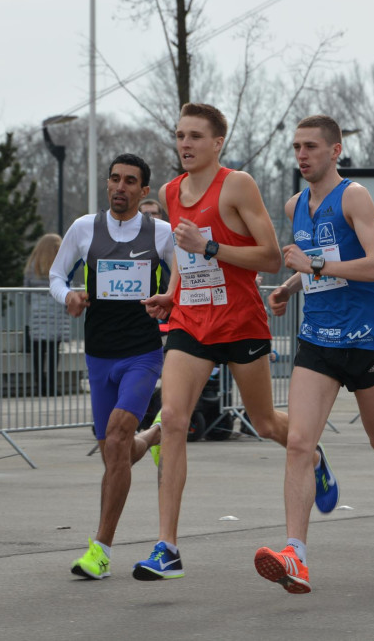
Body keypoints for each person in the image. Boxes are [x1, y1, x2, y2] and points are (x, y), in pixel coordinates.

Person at [135, 102, 331, 581]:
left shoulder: (238, 185)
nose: (185, 144)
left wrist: (212, 248)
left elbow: (269, 257)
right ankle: (167, 547)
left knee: (265, 422)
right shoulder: (170, 190)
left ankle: (314, 454)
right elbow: (185, 255)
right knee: (175, 420)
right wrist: (172, 291)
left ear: (217, 142)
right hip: (190, 322)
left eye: (196, 136)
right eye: (180, 135)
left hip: (240, 321)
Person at [254, 116, 374, 595]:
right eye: (296, 147)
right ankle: (295, 554)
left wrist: (312, 264)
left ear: (335, 150)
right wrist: (292, 284)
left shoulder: (355, 196)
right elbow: (322, 261)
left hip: (366, 339)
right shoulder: (295, 204)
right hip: (317, 339)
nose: (302, 155)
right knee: (299, 443)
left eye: (312, 147)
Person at [49, 153, 174, 580]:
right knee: (114, 451)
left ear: (144, 191)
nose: (120, 187)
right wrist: (67, 296)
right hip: (98, 355)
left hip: (142, 352)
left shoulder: (161, 234)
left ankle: (100, 549)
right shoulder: (85, 229)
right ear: (107, 184)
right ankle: (156, 434)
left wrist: (170, 300)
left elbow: (183, 277)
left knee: (118, 436)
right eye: (114, 179)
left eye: (130, 181)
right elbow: (55, 274)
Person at [23, 234, 72, 396]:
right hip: (56, 314)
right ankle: (51, 386)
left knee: (38, 353)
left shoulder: (32, 267)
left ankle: (40, 385)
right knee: (53, 352)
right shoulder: (60, 266)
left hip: (38, 315)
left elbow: (26, 293)